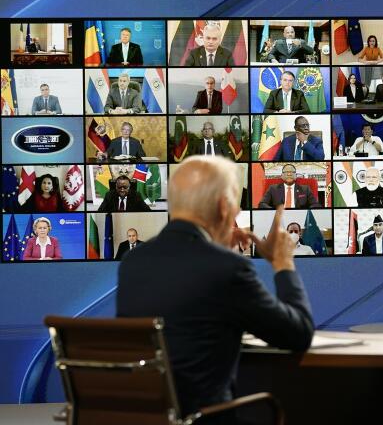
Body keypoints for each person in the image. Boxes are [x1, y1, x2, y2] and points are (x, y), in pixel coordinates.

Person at [117, 157, 314, 416]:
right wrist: (283, 262)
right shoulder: (228, 267)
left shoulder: (133, 262)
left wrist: (218, 247)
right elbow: (298, 334)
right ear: (224, 207)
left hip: (147, 417)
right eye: (236, 206)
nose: (237, 214)